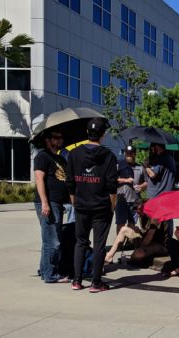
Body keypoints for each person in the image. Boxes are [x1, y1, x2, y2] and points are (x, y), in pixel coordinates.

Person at [66, 118, 118, 293]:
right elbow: (112, 185)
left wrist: (75, 201)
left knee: (80, 242)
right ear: (103, 135)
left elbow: (70, 182)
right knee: (99, 245)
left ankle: (77, 280)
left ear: (87, 133)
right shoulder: (108, 156)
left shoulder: (73, 154)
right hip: (101, 206)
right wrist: (112, 206)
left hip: (81, 205)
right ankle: (96, 283)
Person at [33, 129, 70, 283]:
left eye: (61, 137)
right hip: (48, 202)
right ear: (48, 140)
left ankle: (44, 270)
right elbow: (39, 179)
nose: (60, 139)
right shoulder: (42, 156)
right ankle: (50, 274)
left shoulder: (60, 159)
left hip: (58, 203)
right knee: (53, 241)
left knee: (50, 239)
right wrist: (45, 202)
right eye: (57, 137)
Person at [104, 202, 169, 266]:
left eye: (139, 208)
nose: (137, 210)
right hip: (147, 241)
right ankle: (109, 256)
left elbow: (150, 236)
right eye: (135, 208)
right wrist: (139, 231)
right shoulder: (142, 215)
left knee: (137, 254)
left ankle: (136, 256)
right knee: (124, 229)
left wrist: (138, 250)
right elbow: (146, 233)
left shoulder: (155, 216)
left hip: (160, 244)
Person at [115, 146, 144, 233]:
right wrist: (126, 180)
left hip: (135, 200)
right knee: (120, 223)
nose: (129, 155)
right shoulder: (119, 165)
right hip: (121, 199)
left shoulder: (140, 167)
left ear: (135, 154)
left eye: (131, 153)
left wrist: (141, 186)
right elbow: (112, 179)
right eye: (127, 153)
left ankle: (129, 244)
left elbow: (146, 182)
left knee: (132, 223)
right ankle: (119, 244)